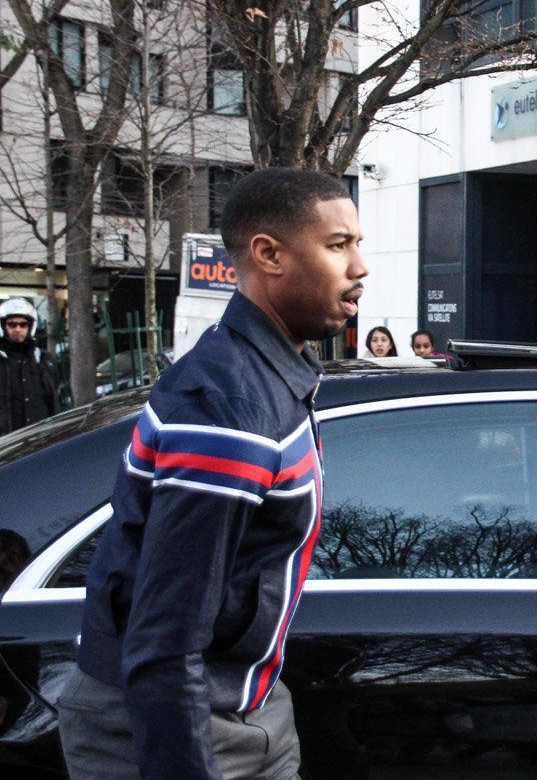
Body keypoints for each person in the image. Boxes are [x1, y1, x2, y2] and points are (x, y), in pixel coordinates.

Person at [57, 168, 368, 780]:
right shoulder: (232, 411)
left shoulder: (270, 375)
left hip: (245, 706)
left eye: (357, 243)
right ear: (268, 255)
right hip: (173, 726)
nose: (360, 266)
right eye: (338, 245)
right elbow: (166, 639)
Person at [0, 297, 59, 435]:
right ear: (3, 326)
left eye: (23, 324)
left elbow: (53, 399)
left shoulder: (42, 360)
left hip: (39, 439)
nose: (18, 329)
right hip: (6, 442)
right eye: (12, 324)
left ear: (30, 326)